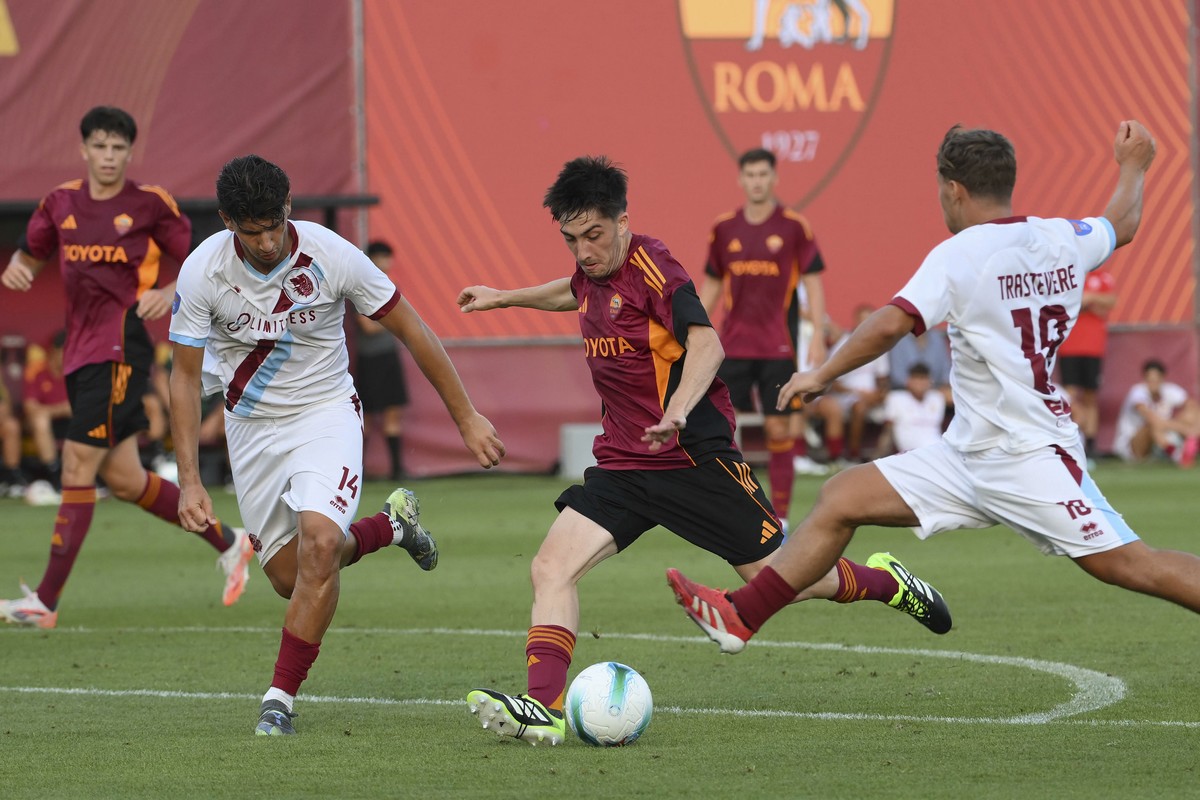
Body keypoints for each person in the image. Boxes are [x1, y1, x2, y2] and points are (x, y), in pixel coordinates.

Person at [456, 155, 948, 746]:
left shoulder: (655, 267)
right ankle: (547, 708)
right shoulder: (590, 270)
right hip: (624, 464)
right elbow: (575, 291)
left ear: (622, 221)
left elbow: (707, 344)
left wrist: (677, 411)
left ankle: (887, 583)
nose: (584, 251)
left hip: (693, 457)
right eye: (571, 238)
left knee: (781, 577)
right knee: (550, 567)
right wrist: (503, 297)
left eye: (594, 235)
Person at [667, 121, 1200, 657]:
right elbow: (1120, 224)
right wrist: (1134, 165)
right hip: (966, 455)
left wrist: (821, 375)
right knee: (840, 498)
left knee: (1130, 564)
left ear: (954, 190)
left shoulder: (960, 254)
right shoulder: (1062, 237)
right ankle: (741, 615)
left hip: (1031, 455)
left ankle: (744, 612)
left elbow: (891, 323)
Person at [168, 154, 505, 736]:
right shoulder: (203, 271)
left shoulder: (332, 255)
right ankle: (391, 526)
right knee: (288, 577)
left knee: (321, 547)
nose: (268, 241)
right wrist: (191, 479)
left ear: (289, 207)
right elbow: (181, 376)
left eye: (275, 224)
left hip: (325, 414)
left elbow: (412, 328)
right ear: (227, 222)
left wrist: (467, 416)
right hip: (250, 429)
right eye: (252, 231)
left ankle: (280, 699)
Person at [0, 106, 254, 629]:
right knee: (123, 478)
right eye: (100, 146)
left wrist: (168, 291)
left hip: (119, 346)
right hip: (80, 352)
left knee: (75, 466)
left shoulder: (149, 204)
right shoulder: (60, 203)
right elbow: (29, 255)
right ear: (84, 149)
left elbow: (208, 257)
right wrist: (19, 270)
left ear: (129, 152)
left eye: (118, 148)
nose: (109, 156)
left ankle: (44, 602)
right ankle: (231, 541)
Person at [698, 147, 830, 526]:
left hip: (777, 347)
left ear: (774, 179)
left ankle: (782, 518)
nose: (756, 181)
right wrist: (692, 329)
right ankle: (735, 511)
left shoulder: (793, 226)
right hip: (733, 346)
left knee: (778, 429)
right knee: (722, 429)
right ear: (741, 180)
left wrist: (818, 336)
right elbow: (711, 285)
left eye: (762, 175)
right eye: (750, 175)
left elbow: (813, 285)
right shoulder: (724, 228)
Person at [352, 240, 410, 480]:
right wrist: (395, 322)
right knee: (364, 416)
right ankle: (357, 471)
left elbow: (402, 323)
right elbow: (367, 326)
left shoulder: (391, 286)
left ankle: (397, 470)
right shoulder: (361, 286)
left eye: (388, 257)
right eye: (381, 257)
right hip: (369, 359)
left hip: (388, 356)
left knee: (393, 413)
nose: (387, 262)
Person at [806, 304, 889, 465]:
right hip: (843, 395)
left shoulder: (880, 344)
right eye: (863, 320)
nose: (867, 323)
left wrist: (880, 394)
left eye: (870, 319)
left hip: (867, 398)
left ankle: (854, 455)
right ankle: (837, 457)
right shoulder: (844, 343)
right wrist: (855, 392)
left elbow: (883, 379)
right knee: (843, 408)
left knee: (863, 406)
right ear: (855, 321)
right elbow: (831, 379)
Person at [1056, 266, 1117, 461]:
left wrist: (1089, 299)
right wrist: (1090, 302)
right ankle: (1068, 440)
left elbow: (1110, 302)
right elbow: (1061, 304)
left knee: (1091, 396)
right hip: (1069, 345)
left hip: (1093, 346)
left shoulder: (1103, 277)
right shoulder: (1067, 275)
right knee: (1070, 395)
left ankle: (1091, 445)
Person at [1112, 359, 1200, 467]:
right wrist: (1185, 430)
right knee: (1153, 425)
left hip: (1161, 437)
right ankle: (1178, 456)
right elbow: (1151, 418)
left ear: (1162, 378)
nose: (1152, 384)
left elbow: (1192, 406)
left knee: (1193, 415)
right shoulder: (1137, 392)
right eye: (1149, 380)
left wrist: (1190, 425)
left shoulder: (1169, 390)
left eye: (1156, 380)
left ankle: (1187, 448)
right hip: (1133, 446)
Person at [22, 330, 71, 493]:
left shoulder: (77, 371)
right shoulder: (37, 371)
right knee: (40, 420)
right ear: (54, 351)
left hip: (71, 422)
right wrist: (59, 409)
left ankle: (98, 478)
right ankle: (55, 475)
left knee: (96, 416)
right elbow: (30, 408)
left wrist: (51, 410)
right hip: (44, 423)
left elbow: (78, 406)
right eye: (65, 352)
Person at [880, 362, 946, 454]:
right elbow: (887, 432)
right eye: (916, 379)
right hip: (910, 452)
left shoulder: (937, 398)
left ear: (930, 381)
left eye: (923, 379)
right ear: (908, 381)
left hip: (938, 449)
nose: (920, 383)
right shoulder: (895, 398)